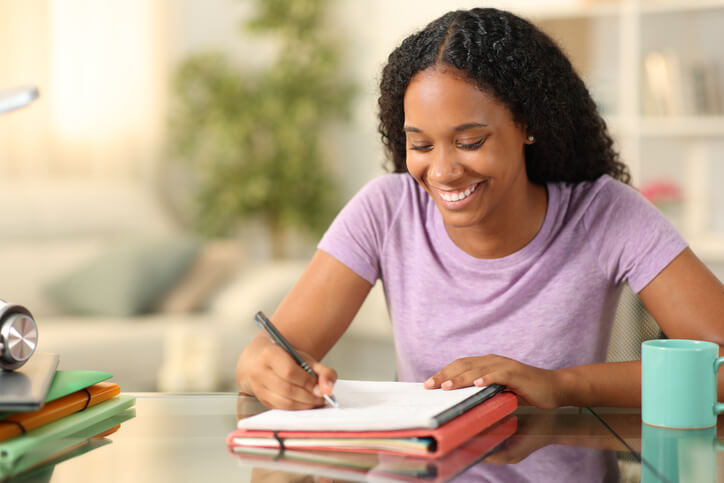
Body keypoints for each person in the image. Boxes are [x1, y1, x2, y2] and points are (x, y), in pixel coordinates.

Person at [236, 7, 724, 410]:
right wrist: (270, 370)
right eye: (421, 145)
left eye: (470, 141)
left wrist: (561, 385)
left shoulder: (603, 213)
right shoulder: (386, 210)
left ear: (527, 125)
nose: (444, 171)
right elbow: (262, 357)